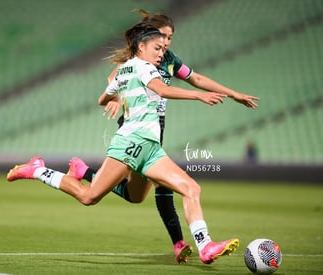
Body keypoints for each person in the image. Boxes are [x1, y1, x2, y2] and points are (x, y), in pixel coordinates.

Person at [7, 23, 241, 264]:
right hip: (131, 143)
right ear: (141, 47)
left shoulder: (125, 70)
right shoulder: (143, 67)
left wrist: (119, 97)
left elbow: (102, 98)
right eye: (157, 48)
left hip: (151, 148)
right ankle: (37, 170)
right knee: (89, 197)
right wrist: (199, 95)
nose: (161, 53)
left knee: (186, 189)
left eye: (163, 49)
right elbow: (160, 89)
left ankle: (205, 246)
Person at [67, 10, 259, 263]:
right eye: (163, 37)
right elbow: (116, 80)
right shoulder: (140, 59)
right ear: (150, 36)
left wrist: (233, 93)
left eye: (170, 38)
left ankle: (87, 172)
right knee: (162, 185)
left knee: (136, 194)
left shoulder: (168, 59)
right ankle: (182, 243)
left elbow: (197, 78)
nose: (167, 43)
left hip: (156, 127)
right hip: (136, 128)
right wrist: (115, 99)